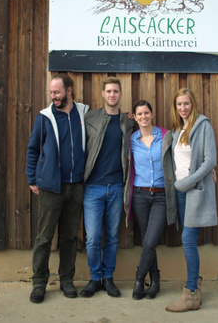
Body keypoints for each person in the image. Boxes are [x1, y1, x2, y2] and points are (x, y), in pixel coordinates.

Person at [25, 73, 89, 304]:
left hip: (76, 186)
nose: (53, 96)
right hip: (51, 187)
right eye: (51, 92)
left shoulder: (83, 113)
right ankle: (39, 283)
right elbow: (33, 149)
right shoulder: (45, 117)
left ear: (69, 91)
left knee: (70, 237)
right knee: (44, 237)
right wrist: (32, 179)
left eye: (57, 92)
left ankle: (67, 280)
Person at [162, 88, 217, 312]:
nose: (183, 108)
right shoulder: (176, 130)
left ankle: (191, 293)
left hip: (195, 191)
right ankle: (196, 283)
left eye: (186, 103)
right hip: (180, 192)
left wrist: (188, 182)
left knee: (187, 239)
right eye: (179, 104)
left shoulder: (203, 126)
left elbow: (209, 160)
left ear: (192, 104)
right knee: (189, 240)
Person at [80, 77, 134, 298]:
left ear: (120, 94)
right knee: (93, 238)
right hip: (93, 187)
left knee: (112, 237)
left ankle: (108, 278)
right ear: (103, 94)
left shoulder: (128, 121)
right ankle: (95, 278)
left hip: (116, 188)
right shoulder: (90, 118)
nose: (112, 95)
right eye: (109, 91)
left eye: (116, 91)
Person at [125, 100, 169, 300]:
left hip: (161, 195)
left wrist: (211, 167)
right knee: (147, 241)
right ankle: (156, 281)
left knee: (150, 241)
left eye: (146, 113)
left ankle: (139, 280)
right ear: (134, 117)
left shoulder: (166, 136)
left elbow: (183, 155)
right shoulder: (131, 140)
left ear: (152, 114)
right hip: (140, 196)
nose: (143, 117)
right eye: (139, 114)